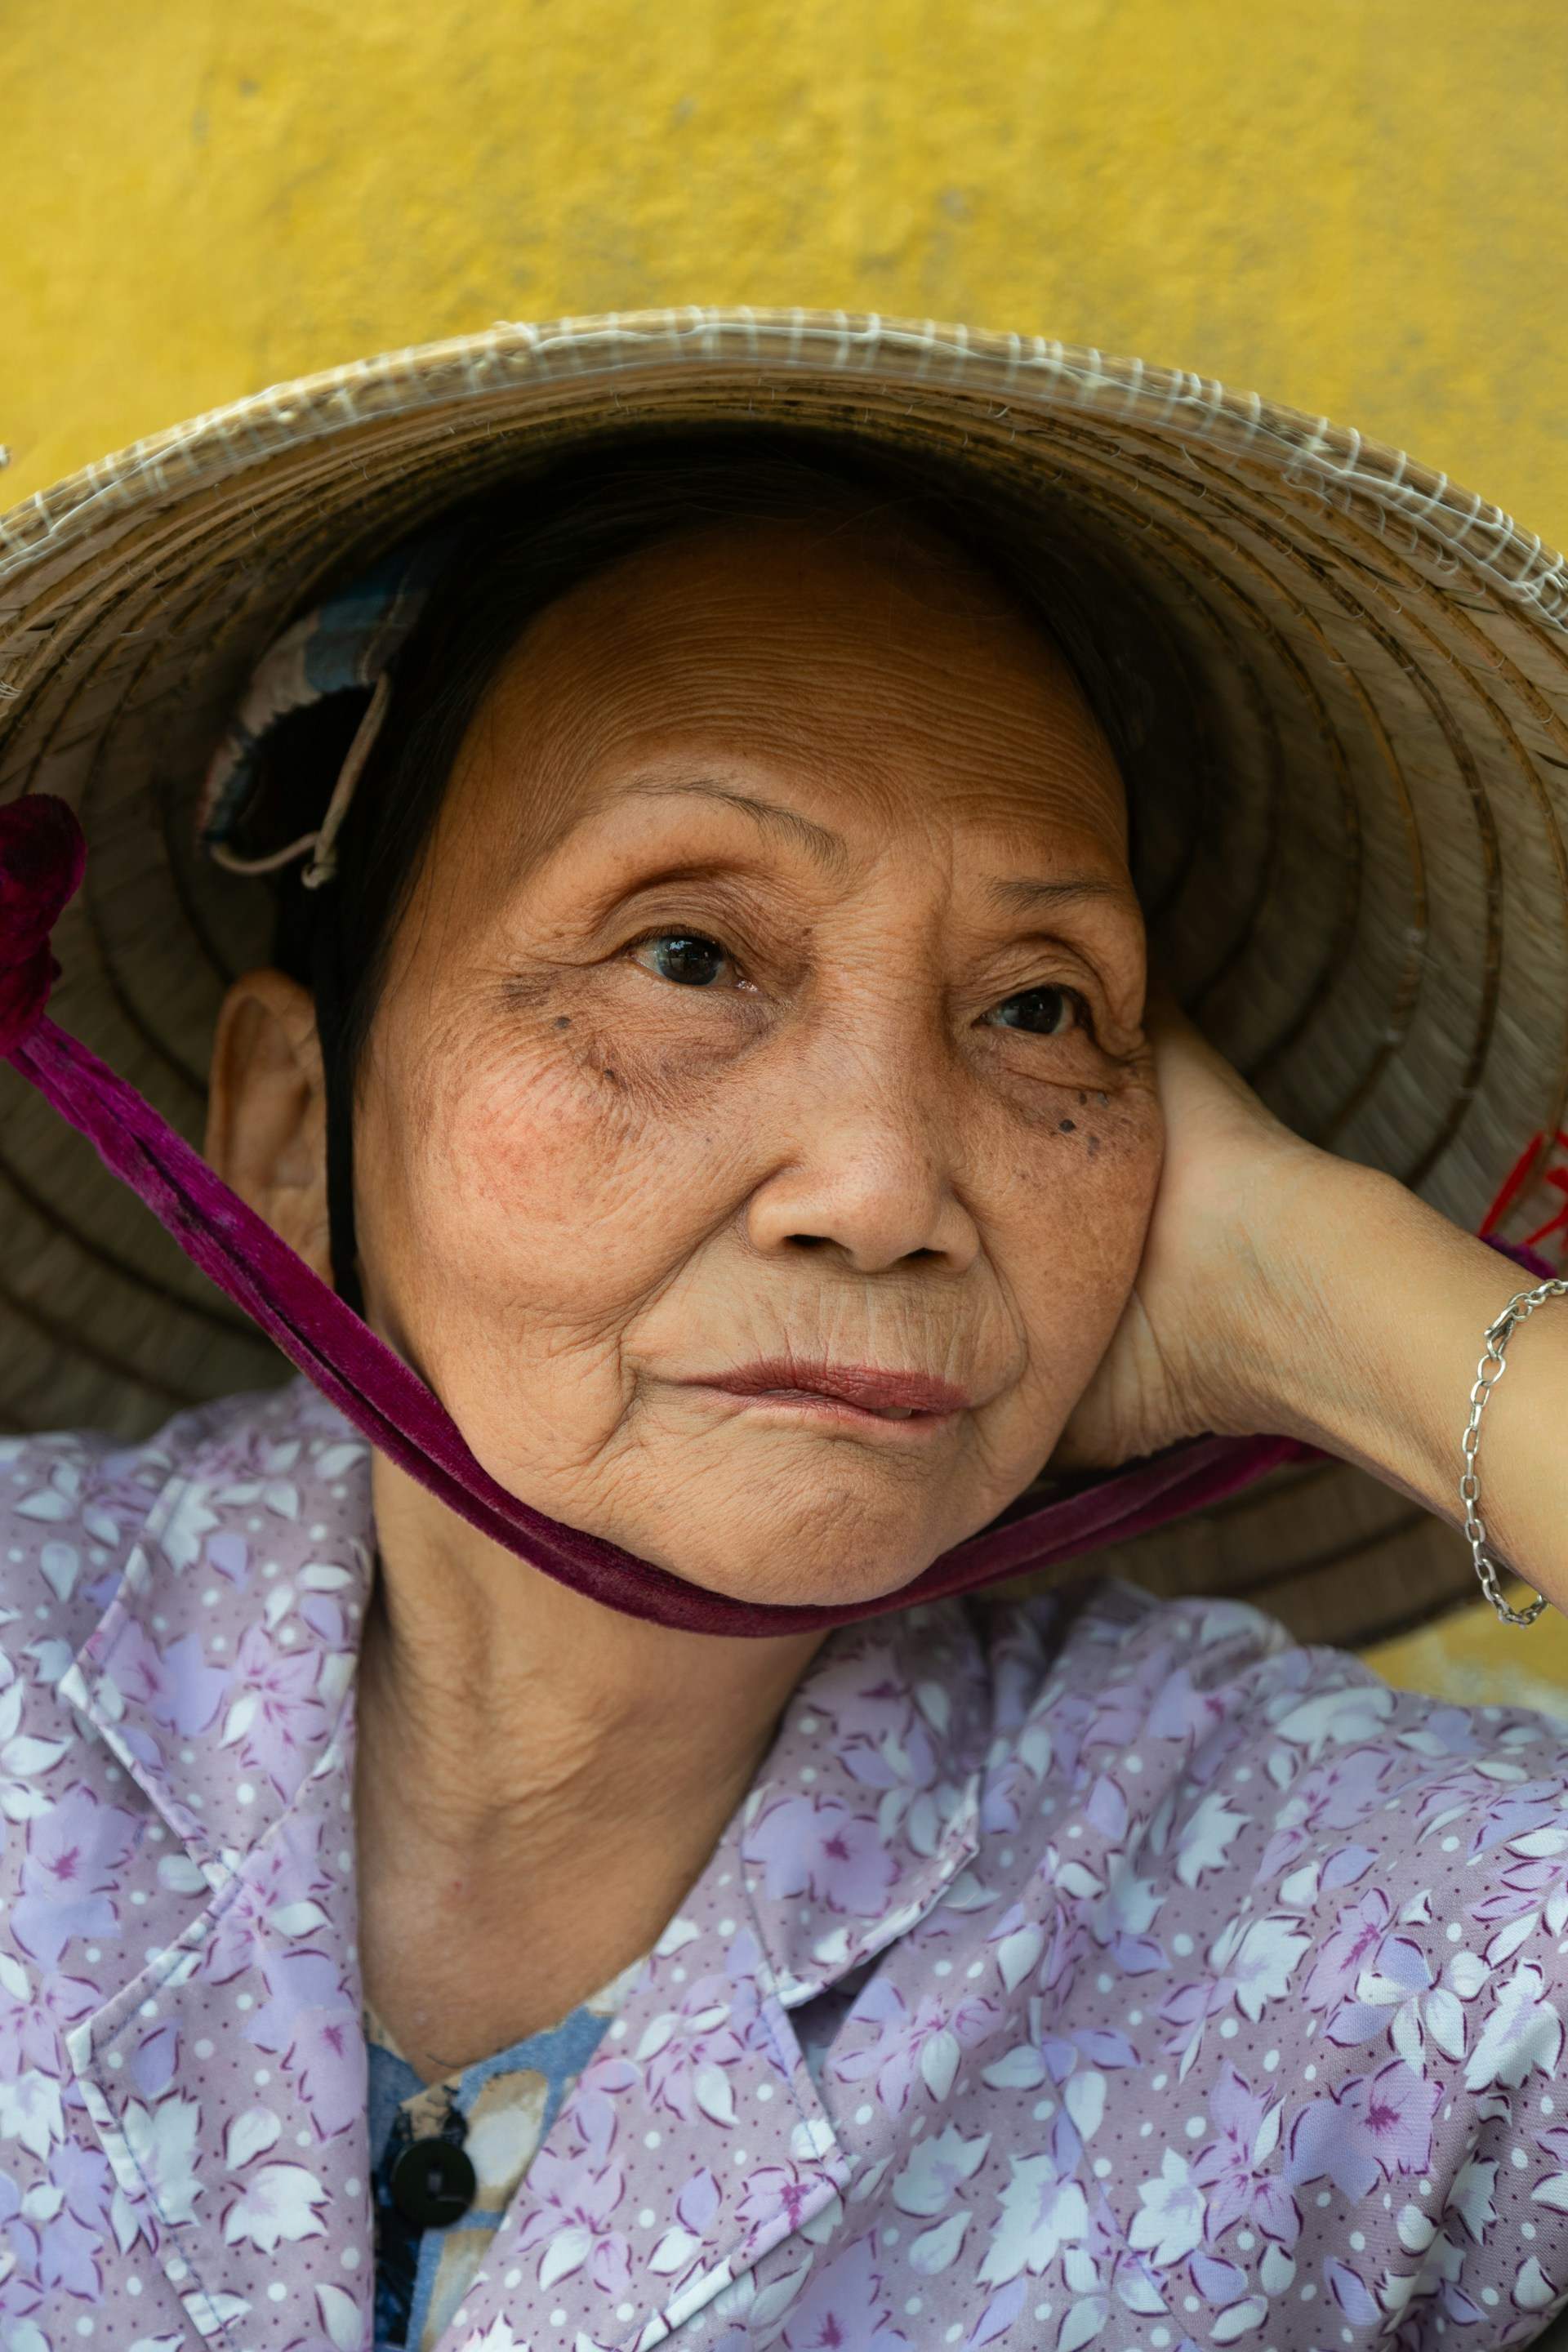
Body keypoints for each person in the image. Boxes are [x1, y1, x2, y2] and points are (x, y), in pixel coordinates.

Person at [1, 310, 1566, 2352]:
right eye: (685, 951)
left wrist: (1323, 1282)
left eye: (1037, 1008)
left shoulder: (1318, 1924)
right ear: (295, 1129)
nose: (889, 1185)